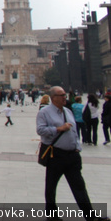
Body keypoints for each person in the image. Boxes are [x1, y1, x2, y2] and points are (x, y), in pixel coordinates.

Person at [36, 86, 106, 218]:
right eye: (61, 95)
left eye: (64, 94)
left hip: (72, 156)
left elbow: (74, 131)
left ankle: (91, 216)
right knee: (51, 187)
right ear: (53, 98)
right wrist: (58, 129)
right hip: (56, 155)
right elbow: (40, 130)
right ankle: (52, 216)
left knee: (79, 187)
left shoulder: (67, 111)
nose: (64, 97)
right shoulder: (44, 112)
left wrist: (77, 147)